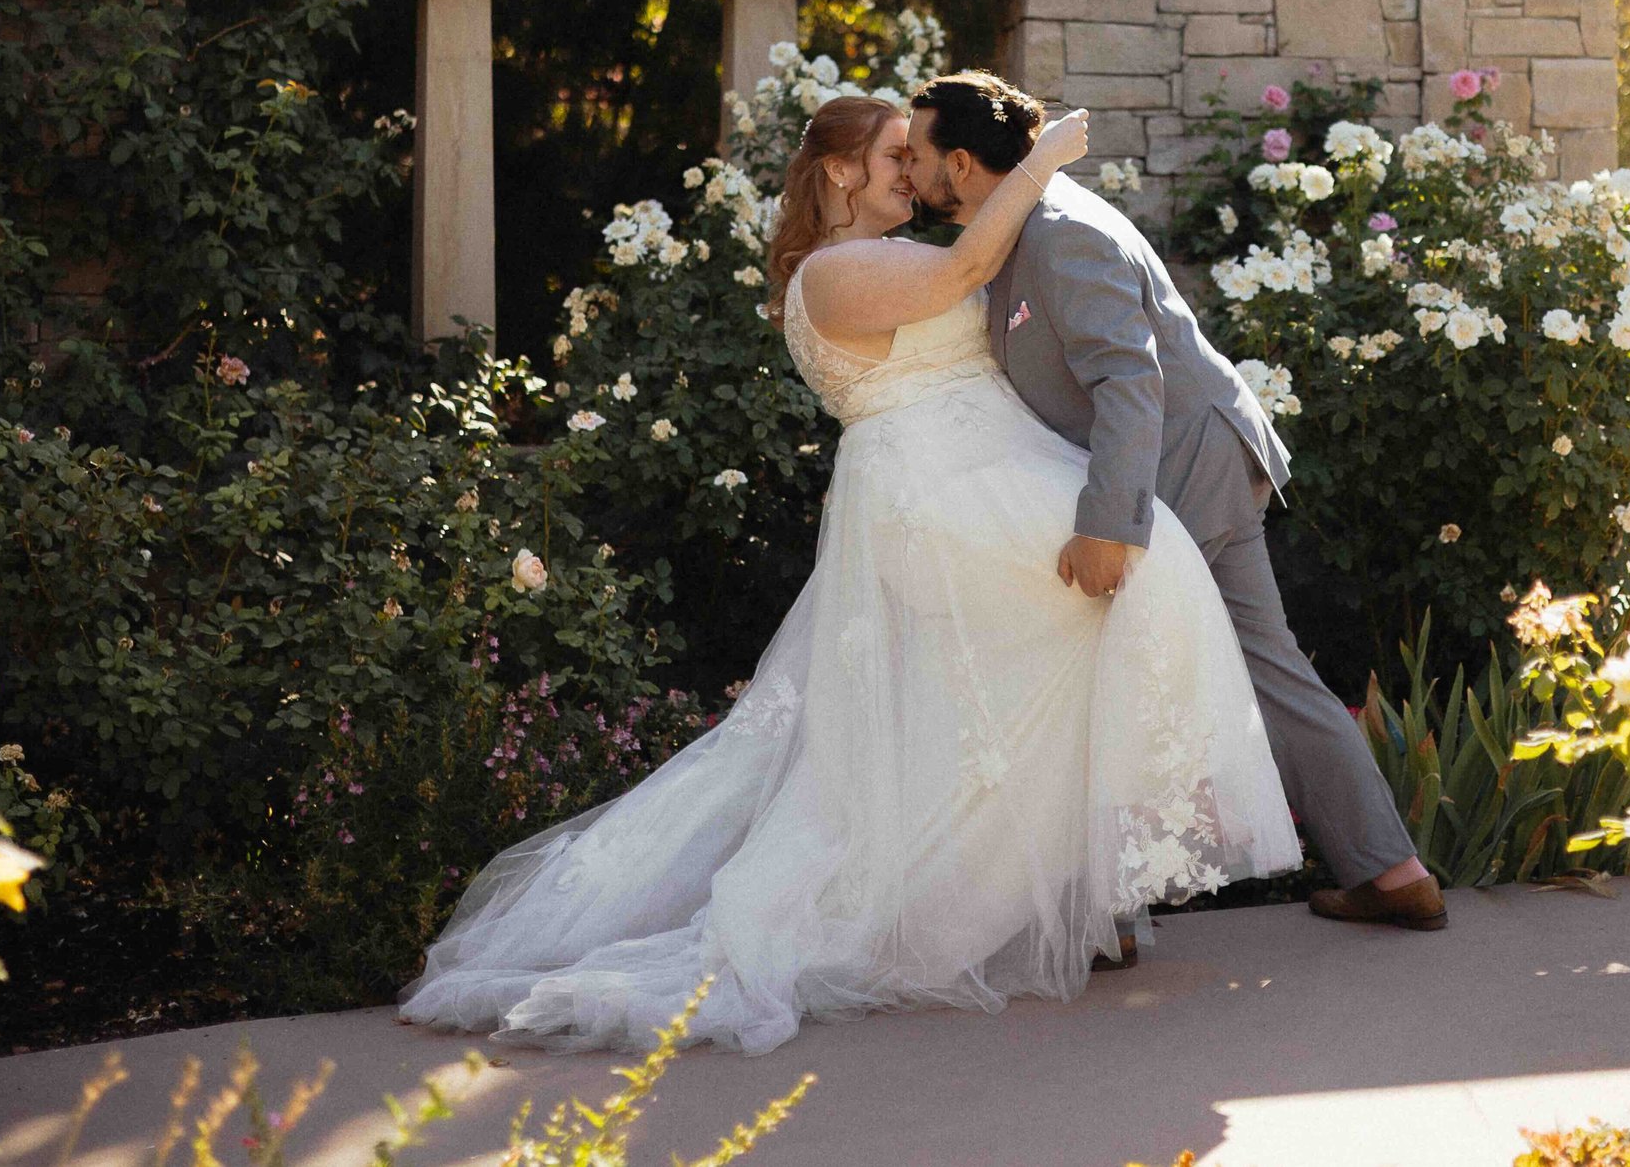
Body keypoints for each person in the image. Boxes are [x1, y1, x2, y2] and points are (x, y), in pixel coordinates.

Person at [397, 94, 1297, 1054]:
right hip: (940, 485)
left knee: (1000, 687)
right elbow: (967, 268)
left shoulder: (884, 254)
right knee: (1104, 603)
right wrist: (1042, 164)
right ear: (839, 172)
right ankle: (1027, 897)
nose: (912, 171)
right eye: (895, 155)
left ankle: (1069, 895)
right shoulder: (828, 275)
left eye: (915, 154)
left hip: (982, 464)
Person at [901, 69, 1447, 934]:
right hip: (1193, 460)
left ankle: (1106, 916)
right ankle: (1392, 873)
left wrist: (1108, 527)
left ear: (960, 163)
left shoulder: (1064, 231)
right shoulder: (1025, 224)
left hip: (1184, 467)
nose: (905, 170)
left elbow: (1128, 378)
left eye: (915, 153)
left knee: (1095, 665)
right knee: (1268, 669)